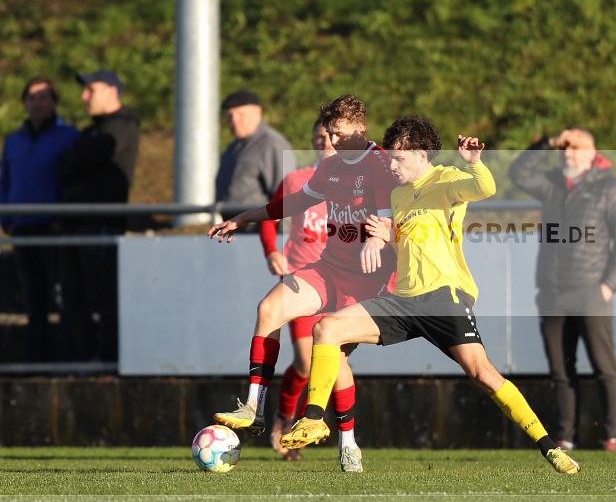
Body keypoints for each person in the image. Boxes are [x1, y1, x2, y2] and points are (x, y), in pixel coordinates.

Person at [247, 115, 581, 475]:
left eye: (398, 159)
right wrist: (384, 237)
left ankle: (549, 448)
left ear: (422, 155)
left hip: (444, 297)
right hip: (402, 299)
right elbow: (404, 240)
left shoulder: (448, 181)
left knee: (483, 374)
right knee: (327, 330)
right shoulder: (397, 194)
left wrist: (476, 164)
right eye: (388, 158)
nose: (391, 165)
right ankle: (314, 419)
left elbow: (484, 189)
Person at [211, 94, 396, 473]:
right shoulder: (329, 170)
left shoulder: (380, 165)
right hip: (329, 268)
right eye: (329, 134)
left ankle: (348, 442)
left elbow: (389, 215)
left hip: (367, 280)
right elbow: (290, 205)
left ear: (361, 128)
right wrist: (243, 218)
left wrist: (380, 237)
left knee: (334, 358)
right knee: (269, 309)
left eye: (340, 134)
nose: (333, 142)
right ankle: (254, 408)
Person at [509, 127, 616, 452]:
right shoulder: (552, 182)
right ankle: (565, 437)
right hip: (552, 290)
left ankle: (613, 437)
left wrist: (610, 284)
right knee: (561, 369)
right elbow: (518, 171)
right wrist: (546, 142)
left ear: (593, 152)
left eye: (576, 147)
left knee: (604, 367)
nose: (568, 153)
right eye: (564, 148)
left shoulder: (609, 186)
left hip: (591, 289)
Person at [259, 118, 335, 460]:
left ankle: (309, 431)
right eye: (318, 137)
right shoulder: (296, 181)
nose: (324, 143)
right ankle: (285, 418)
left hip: (341, 284)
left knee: (332, 364)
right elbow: (269, 217)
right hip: (302, 282)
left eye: (331, 137)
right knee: (305, 362)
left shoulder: (358, 185)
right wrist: (273, 251)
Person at [60, 69, 141, 361]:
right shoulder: (93, 131)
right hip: (77, 224)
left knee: (102, 296)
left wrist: (76, 159)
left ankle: (106, 360)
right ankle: (86, 358)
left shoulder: (121, 126)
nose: (84, 97)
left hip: (100, 225)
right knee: (73, 296)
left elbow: (88, 158)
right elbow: (72, 162)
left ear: (111, 91)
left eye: (90, 90)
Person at [0, 77, 79, 361]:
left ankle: (66, 357)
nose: (37, 103)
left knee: (60, 296)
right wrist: (6, 216)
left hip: (53, 227)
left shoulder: (68, 136)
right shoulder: (15, 140)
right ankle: (37, 359)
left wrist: (62, 216)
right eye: (32, 97)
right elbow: (5, 180)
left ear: (54, 102)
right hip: (22, 227)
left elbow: (73, 180)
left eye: (44, 97)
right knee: (32, 297)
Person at [215, 89, 294, 222]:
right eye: (230, 116)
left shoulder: (272, 144)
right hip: (234, 232)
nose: (234, 121)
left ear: (258, 113)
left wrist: (276, 234)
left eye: (240, 115)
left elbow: (286, 196)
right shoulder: (233, 148)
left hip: (257, 233)